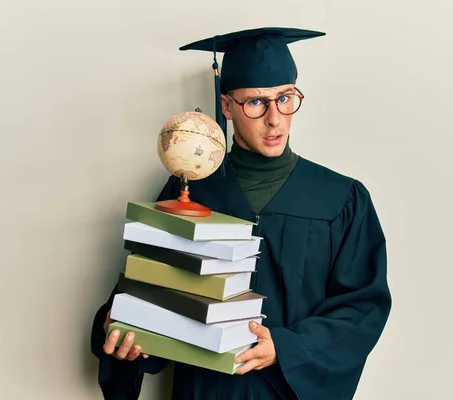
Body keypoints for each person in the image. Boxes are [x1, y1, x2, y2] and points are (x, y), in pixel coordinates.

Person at [90, 27, 392, 400]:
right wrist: (123, 334)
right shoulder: (190, 191)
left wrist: (286, 347)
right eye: (255, 102)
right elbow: (151, 287)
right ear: (227, 106)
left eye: (285, 98)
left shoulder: (341, 198)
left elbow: (362, 307)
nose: (275, 119)